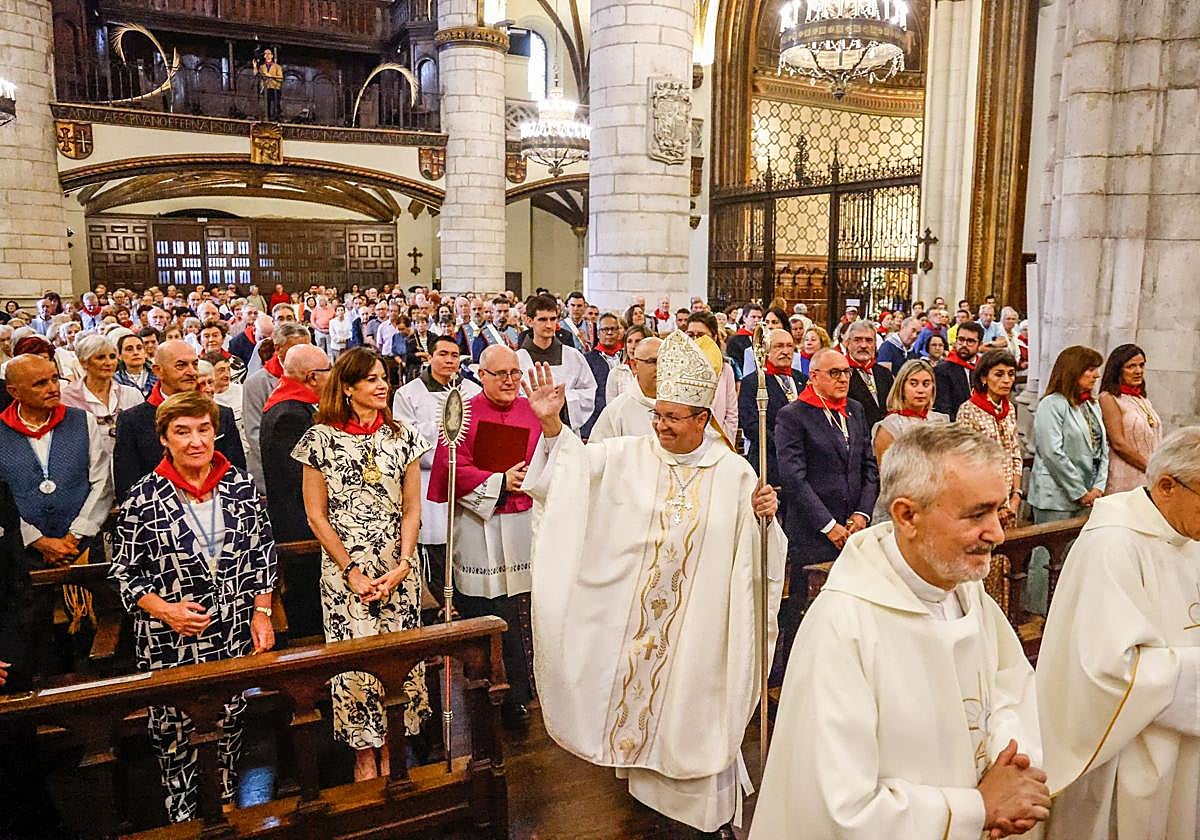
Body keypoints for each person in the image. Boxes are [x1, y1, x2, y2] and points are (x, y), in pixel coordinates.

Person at [521, 331, 785, 836]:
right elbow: (573, 472)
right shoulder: (628, 455)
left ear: (703, 420)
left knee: (693, 710)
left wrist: (762, 520)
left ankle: (709, 811)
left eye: (672, 417)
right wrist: (553, 427)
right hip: (633, 625)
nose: (660, 426)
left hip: (699, 628)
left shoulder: (733, 473)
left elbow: (758, 558)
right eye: (656, 415)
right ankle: (645, 785)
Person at [753, 423, 1049, 839]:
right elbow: (841, 809)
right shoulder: (844, 626)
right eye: (976, 514)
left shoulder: (966, 590)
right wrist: (976, 808)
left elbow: (1010, 687)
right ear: (907, 515)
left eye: (997, 510)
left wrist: (1011, 766)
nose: (998, 533)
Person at [110, 391, 277, 822]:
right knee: (177, 736)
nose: (196, 441)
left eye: (204, 429)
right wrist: (166, 610)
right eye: (182, 432)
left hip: (233, 630)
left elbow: (262, 554)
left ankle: (223, 810)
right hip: (172, 639)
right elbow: (126, 574)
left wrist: (261, 611)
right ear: (164, 438)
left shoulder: (239, 485)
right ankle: (185, 820)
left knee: (229, 726)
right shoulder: (142, 499)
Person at [1034, 427, 1200, 840]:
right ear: (1166, 485)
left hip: (1183, 741)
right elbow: (1111, 669)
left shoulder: (1182, 531)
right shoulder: (1113, 544)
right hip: (1129, 749)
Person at [293, 348, 431, 780]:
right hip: (345, 574)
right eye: (370, 379)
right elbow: (316, 514)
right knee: (356, 669)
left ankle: (396, 759)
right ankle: (364, 762)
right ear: (348, 388)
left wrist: (406, 562)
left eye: (383, 377)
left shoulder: (403, 435)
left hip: (397, 570)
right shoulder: (319, 439)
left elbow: (412, 509)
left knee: (400, 665)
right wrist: (350, 570)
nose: (381, 385)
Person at [428, 344, 543, 728]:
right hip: (482, 526)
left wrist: (532, 478)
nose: (511, 381)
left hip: (525, 522)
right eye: (501, 374)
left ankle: (529, 688)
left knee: (527, 609)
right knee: (491, 609)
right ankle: (492, 690)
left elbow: (555, 456)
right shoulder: (463, 412)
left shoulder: (532, 410)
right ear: (481, 375)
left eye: (515, 373)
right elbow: (449, 469)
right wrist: (499, 481)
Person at [774, 347, 878, 675]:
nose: (844, 378)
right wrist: (829, 525)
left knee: (849, 605)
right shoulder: (794, 415)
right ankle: (796, 674)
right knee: (805, 609)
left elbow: (868, 467)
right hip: (813, 530)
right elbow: (793, 478)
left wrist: (862, 515)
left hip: (854, 529)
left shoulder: (856, 410)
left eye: (846, 372)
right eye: (835, 373)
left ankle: (842, 671)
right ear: (814, 376)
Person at [391, 335, 482, 617]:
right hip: (427, 480)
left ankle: (465, 601)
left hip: (465, 479)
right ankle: (441, 603)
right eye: (443, 354)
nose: (449, 360)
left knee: (465, 542)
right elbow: (407, 440)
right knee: (435, 547)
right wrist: (445, 434)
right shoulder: (408, 394)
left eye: (455, 355)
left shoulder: (471, 390)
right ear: (429, 357)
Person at [1026, 344, 1107, 614]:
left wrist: (1097, 486)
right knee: (1048, 555)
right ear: (1073, 371)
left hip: (1088, 492)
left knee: (1075, 555)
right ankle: (1038, 609)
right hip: (1056, 494)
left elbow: (1102, 449)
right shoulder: (1052, 404)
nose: (1096, 375)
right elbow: (1052, 452)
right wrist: (1079, 490)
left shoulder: (1091, 405)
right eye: (1090, 369)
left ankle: (1065, 609)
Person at [114, 341, 246, 501]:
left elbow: (237, 474)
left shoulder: (222, 414)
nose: (191, 372)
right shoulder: (132, 421)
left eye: (194, 364)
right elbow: (128, 487)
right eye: (181, 366)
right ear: (158, 371)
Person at [261, 345, 332, 638]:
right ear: (312, 377)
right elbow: (300, 477)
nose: (334, 376)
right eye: (329, 370)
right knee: (308, 601)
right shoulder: (289, 416)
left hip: (305, 518)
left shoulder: (295, 406)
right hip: (300, 525)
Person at [955, 349, 1023, 526]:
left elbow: (1015, 453)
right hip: (982, 502)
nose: (1007, 380)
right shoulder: (969, 410)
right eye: (999, 374)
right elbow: (967, 464)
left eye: (1011, 374)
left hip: (1009, 498)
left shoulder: (1009, 410)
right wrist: (993, 506)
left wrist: (1016, 495)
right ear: (984, 378)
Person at [243, 321, 311, 492]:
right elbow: (254, 434)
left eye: (307, 349)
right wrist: (291, 467)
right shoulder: (256, 383)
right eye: (297, 350)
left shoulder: (315, 377)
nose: (304, 356)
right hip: (273, 471)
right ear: (279, 349)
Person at [738, 327, 807, 490]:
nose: (785, 351)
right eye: (779, 346)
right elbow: (750, 425)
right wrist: (785, 443)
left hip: (802, 462)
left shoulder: (802, 380)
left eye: (789, 346)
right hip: (769, 462)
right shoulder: (754, 382)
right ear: (766, 350)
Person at [516, 295, 595, 433]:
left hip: (566, 429)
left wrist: (563, 399)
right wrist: (537, 403)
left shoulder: (573, 356)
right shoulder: (517, 359)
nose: (549, 325)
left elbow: (589, 392)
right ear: (529, 321)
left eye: (553, 319)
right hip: (531, 431)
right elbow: (511, 399)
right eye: (542, 319)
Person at [60, 334, 145, 460]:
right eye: (100, 357)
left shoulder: (132, 394)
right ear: (84, 362)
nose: (108, 362)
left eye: (112, 357)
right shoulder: (67, 399)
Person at [1098, 343, 1162, 494]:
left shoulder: (1142, 398)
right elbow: (1118, 443)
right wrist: (1150, 467)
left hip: (1149, 475)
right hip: (1125, 476)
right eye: (1131, 366)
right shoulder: (1108, 398)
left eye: (1141, 365)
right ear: (1118, 370)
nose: (1138, 371)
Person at [871, 358, 948, 464]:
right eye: (913, 384)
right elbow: (885, 476)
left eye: (926, 384)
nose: (920, 390)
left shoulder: (941, 421)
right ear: (901, 387)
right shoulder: (889, 427)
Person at [588, 336, 662, 443]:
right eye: (653, 361)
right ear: (635, 365)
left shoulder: (681, 405)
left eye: (665, 361)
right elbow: (598, 452)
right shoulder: (617, 410)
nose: (660, 367)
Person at [686, 311, 739, 444]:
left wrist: (726, 443)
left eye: (701, 335)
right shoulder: (679, 367)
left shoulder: (725, 370)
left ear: (714, 337)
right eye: (691, 335)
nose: (696, 341)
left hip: (717, 441)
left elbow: (731, 413)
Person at [843, 319, 896, 431]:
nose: (863, 345)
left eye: (869, 340)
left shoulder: (884, 373)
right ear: (847, 343)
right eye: (857, 340)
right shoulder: (841, 372)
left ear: (875, 345)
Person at [580, 311, 624, 438]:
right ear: (598, 333)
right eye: (605, 330)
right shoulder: (587, 359)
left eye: (613, 329)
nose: (609, 333)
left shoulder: (626, 357)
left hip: (623, 417)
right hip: (596, 419)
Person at [934, 320, 983, 420]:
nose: (964, 344)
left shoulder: (984, 368)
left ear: (980, 344)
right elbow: (943, 409)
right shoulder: (943, 370)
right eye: (961, 339)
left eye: (970, 341)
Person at [470, 296, 519, 362]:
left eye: (506, 311)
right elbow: (477, 361)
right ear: (492, 312)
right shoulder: (483, 334)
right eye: (499, 311)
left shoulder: (516, 331)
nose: (502, 315)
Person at [114, 331, 157, 397]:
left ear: (145, 352)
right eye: (129, 349)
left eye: (139, 348)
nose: (136, 352)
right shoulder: (114, 380)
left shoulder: (158, 374)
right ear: (119, 355)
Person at [254, 48, 283, 121]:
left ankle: (276, 117)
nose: (267, 55)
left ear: (272, 56)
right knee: (267, 104)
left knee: (276, 104)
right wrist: (255, 66)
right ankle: (268, 117)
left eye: (269, 54)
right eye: (265, 54)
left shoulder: (277, 67)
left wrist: (271, 76)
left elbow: (281, 78)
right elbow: (256, 74)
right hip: (266, 87)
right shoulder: (262, 67)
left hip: (275, 88)